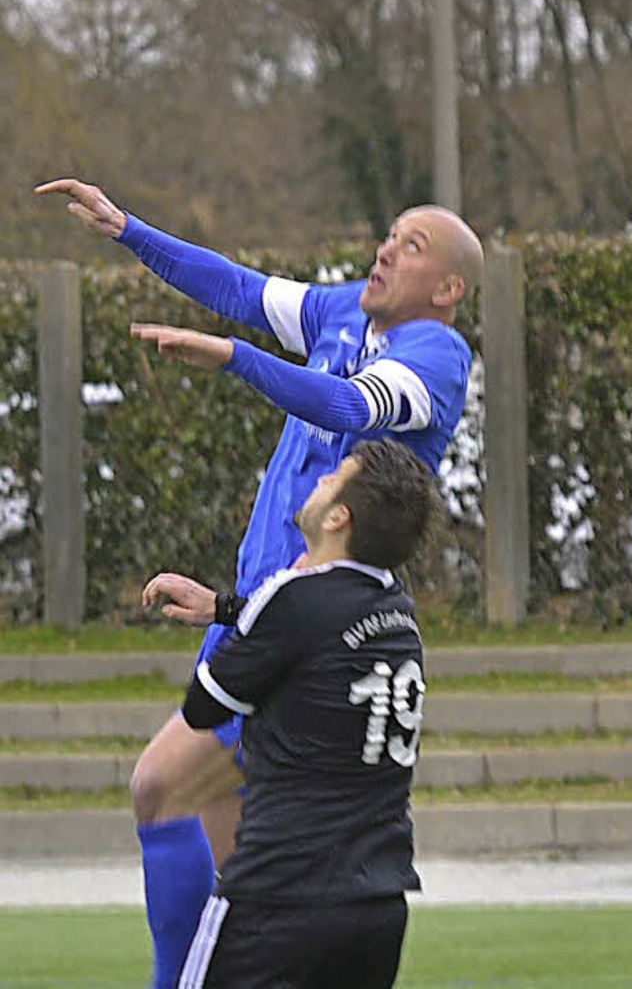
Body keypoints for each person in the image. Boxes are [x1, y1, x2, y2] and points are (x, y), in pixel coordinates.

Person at [35, 176, 483, 989]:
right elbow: (239, 287)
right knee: (241, 861)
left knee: (160, 786)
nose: (386, 248)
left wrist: (236, 358)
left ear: (449, 289)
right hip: (261, 613)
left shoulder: (439, 358)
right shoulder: (342, 310)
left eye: (412, 245)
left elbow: (350, 406)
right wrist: (129, 229)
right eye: (389, 232)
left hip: (317, 634)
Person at [146, 438, 436, 989]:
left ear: (339, 517)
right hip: (377, 906)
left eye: (333, 480)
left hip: (278, 898)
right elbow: (315, 630)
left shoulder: (294, 598)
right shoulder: (399, 613)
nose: (319, 482)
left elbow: (205, 706)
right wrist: (229, 607)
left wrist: (249, 614)